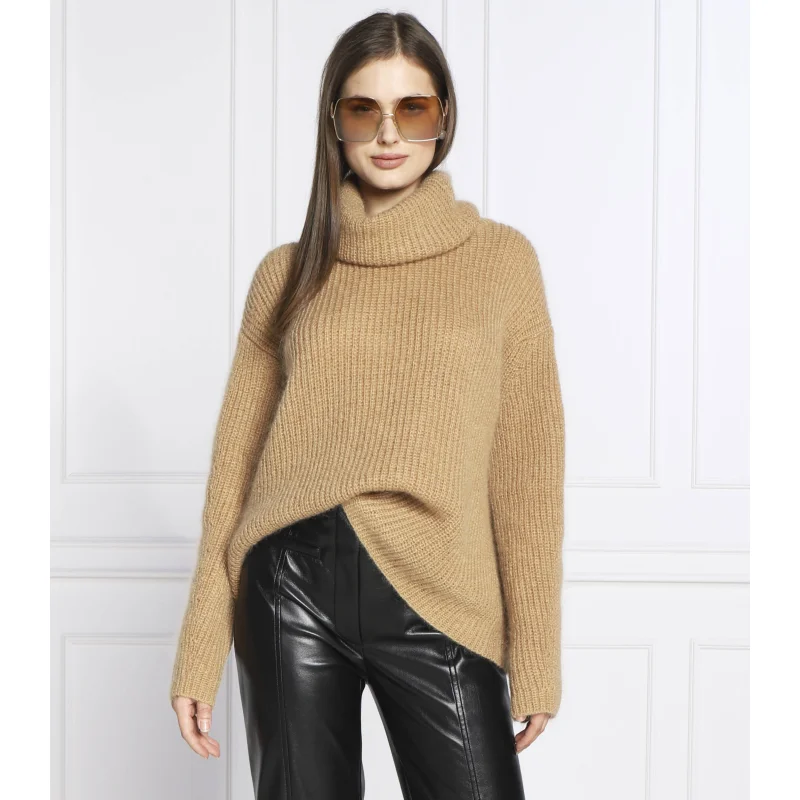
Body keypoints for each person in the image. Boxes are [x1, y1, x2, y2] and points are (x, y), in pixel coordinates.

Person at [170, 11, 566, 799]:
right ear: (335, 122)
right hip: (289, 586)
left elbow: (527, 471)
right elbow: (235, 474)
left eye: (412, 108)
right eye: (364, 109)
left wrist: (537, 654)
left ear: (443, 117)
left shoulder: (502, 263)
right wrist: (198, 646)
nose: (388, 134)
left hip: (441, 590)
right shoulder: (286, 274)